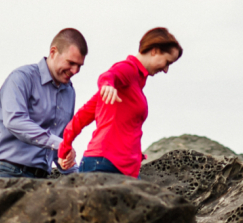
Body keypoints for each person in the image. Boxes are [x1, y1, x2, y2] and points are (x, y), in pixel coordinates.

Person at [58, 27, 182, 178]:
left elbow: (83, 115)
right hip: (105, 165)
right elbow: (109, 75)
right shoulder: (129, 69)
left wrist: (64, 149)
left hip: (117, 167)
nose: (166, 69)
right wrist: (107, 85)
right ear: (154, 50)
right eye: (167, 62)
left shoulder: (135, 82)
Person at [0, 28, 88, 180]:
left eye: (79, 66)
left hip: (42, 179)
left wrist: (78, 173)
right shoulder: (21, 78)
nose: (75, 71)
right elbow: (14, 121)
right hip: (7, 172)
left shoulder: (69, 92)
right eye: (71, 63)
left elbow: (57, 145)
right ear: (53, 52)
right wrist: (60, 144)